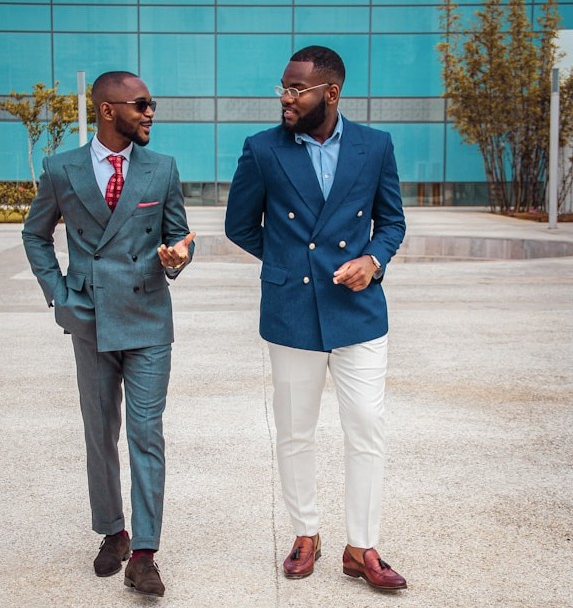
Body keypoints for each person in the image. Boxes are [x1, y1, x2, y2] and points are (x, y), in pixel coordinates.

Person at [225, 46, 407, 591]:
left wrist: (373, 261)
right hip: (292, 312)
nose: (285, 97)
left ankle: (362, 546)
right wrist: (290, 265)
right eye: (282, 87)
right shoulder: (262, 149)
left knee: (367, 431)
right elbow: (241, 226)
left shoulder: (376, 146)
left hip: (359, 312)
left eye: (296, 89)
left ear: (330, 93)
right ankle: (306, 533)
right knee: (295, 432)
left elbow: (392, 222)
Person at [22, 70, 195, 598]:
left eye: (152, 104)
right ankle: (113, 532)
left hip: (147, 320)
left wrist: (178, 256)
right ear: (107, 110)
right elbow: (35, 234)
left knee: (147, 435)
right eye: (141, 104)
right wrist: (61, 292)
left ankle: (144, 553)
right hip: (90, 318)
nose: (149, 113)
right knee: (100, 434)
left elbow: (179, 235)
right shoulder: (61, 168)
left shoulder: (161, 169)